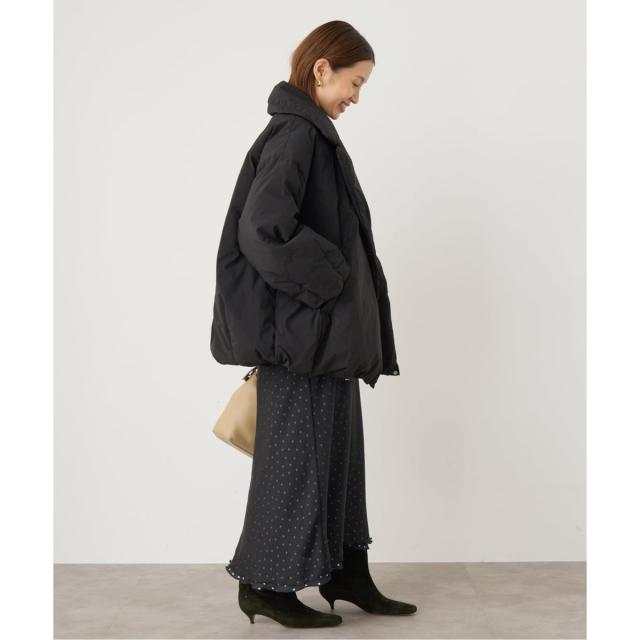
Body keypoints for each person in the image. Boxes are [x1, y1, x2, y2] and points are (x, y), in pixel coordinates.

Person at [210, 20, 416, 628]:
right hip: (303, 342)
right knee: (295, 470)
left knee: (339, 464)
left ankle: (346, 572)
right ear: (322, 69)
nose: (357, 96)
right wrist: (333, 280)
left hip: (325, 341)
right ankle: (264, 588)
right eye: (355, 82)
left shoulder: (312, 133)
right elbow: (262, 230)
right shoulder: (296, 134)